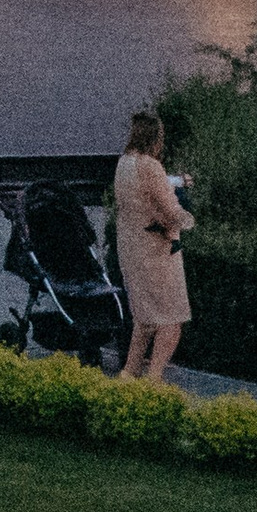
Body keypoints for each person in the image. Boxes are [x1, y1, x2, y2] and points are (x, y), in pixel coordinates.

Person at [111, 110, 194, 380]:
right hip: (157, 249)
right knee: (173, 317)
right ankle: (153, 378)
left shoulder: (124, 163)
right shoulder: (150, 165)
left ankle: (129, 373)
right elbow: (170, 211)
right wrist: (188, 219)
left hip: (130, 246)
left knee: (144, 317)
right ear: (156, 136)